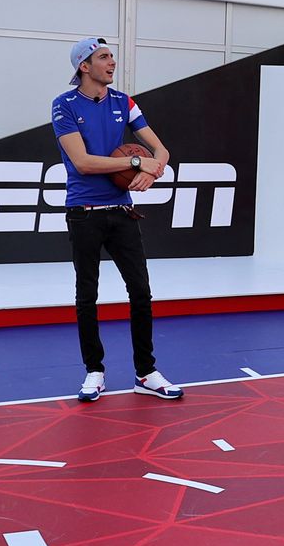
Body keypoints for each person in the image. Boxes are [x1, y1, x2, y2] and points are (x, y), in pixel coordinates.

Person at [50, 37, 184, 402]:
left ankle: (146, 373)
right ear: (84, 66)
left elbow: (161, 150)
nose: (112, 62)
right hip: (84, 213)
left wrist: (153, 171)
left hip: (123, 212)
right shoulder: (64, 105)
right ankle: (94, 371)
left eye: (112, 56)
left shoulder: (124, 102)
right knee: (87, 295)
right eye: (104, 57)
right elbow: (83, 162)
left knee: (140, 291)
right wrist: (137, 162)